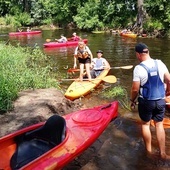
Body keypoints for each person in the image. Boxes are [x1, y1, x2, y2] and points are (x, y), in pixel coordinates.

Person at [130, 42, 170, 160]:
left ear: (138, 54)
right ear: (148, 52)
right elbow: (169, 79)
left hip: (146, 101)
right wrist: (168, 91)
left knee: (146, 124)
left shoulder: (139, 68)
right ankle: (163, 153)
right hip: (160, 100)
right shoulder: (160, 63)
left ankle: (149, 152)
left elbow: (135, 89)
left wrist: (132, 100)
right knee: (159, 124)